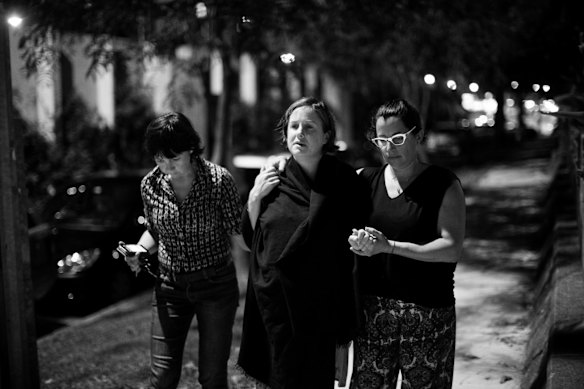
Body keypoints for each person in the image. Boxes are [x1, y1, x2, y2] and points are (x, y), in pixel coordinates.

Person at [236, 97, 370, 389]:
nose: (299, 133)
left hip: (321, 311)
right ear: (285, 135)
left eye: (309, 127)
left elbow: (354, 254)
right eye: (293, 126)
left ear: (326, 136)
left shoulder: (345, 181)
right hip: (274, 308)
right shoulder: (272, 178)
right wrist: (255, 197)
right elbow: (250, 240)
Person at [120, 112, 246, 389]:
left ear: (190, 148)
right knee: (162, 377)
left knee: (212, 377)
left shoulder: (218, 181)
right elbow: (154, 230)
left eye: (173, 158)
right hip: (169, 288)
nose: (166, 166)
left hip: (215, 285)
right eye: (159, 158)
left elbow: (238, 232)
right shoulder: (150, 185)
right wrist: (140, 250)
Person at [348, 98, 466, 389]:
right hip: (372, 313)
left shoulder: (444, 184)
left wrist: (390, 247)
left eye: (398, 138)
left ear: (418, 135)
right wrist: (357, 241)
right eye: (381, 140)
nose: (389, 148)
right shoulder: (363, 180)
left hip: (427, 312)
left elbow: (451, 248)